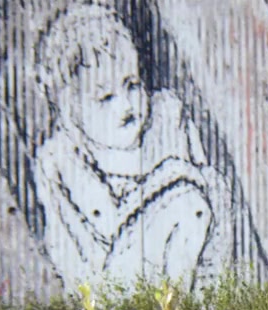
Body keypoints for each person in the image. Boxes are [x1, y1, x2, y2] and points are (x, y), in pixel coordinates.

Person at [32, 3, 223, 289]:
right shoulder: (62, 161)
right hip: (119, 285)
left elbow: (209, 189)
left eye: (132, 84)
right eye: (105, 97)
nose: (126, 104)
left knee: (199, 199)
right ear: (72, 112)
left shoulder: (167, 119)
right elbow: (70, 254)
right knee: (185, 203)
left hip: (193, 268)